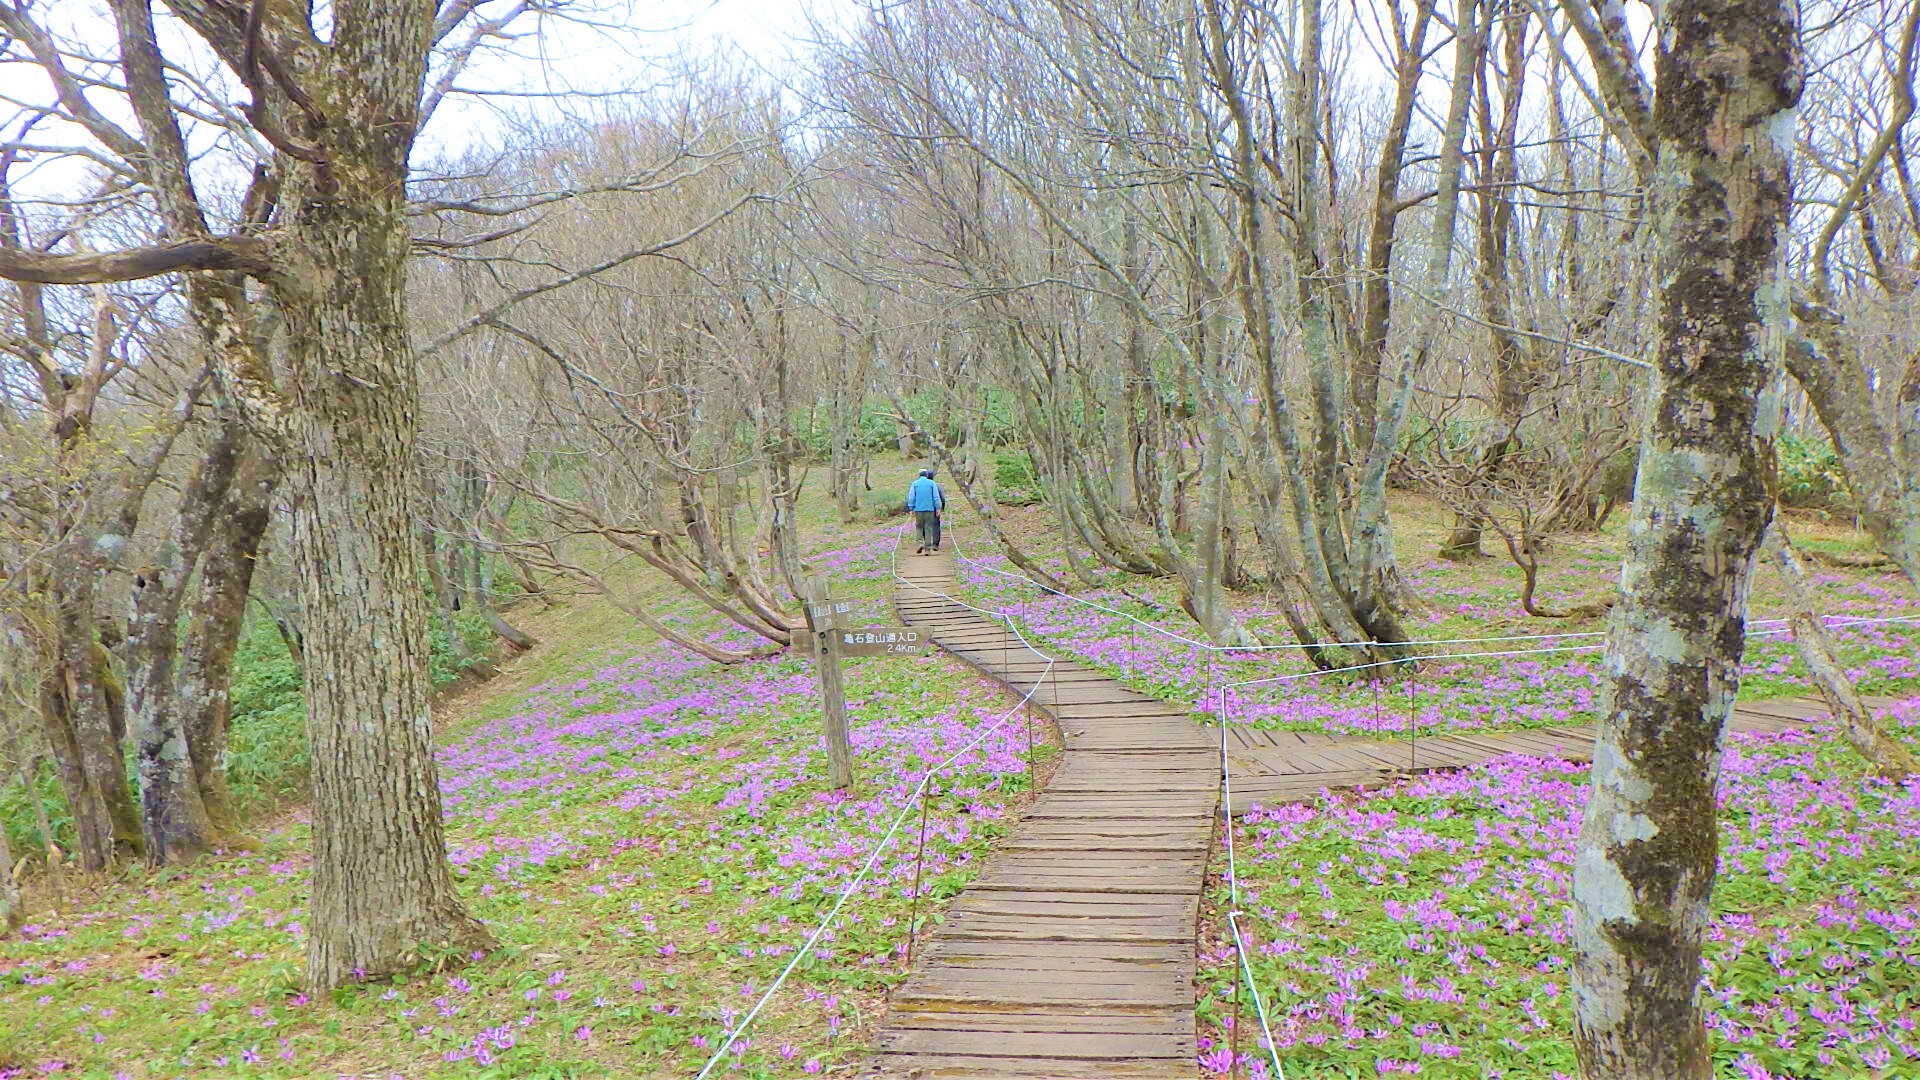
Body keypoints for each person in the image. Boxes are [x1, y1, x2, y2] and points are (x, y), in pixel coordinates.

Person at [906, 467, 946, 554]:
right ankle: (928, 549)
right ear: (926, 475)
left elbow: (911, 497)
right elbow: (936, 497)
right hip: (930, 509)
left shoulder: (915, 483)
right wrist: (938, 508)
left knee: (919, 527)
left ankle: (920, 543)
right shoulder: (932, 483)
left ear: (919, 475)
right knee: (928, 528)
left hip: (918, 509)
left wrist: (911, 508)